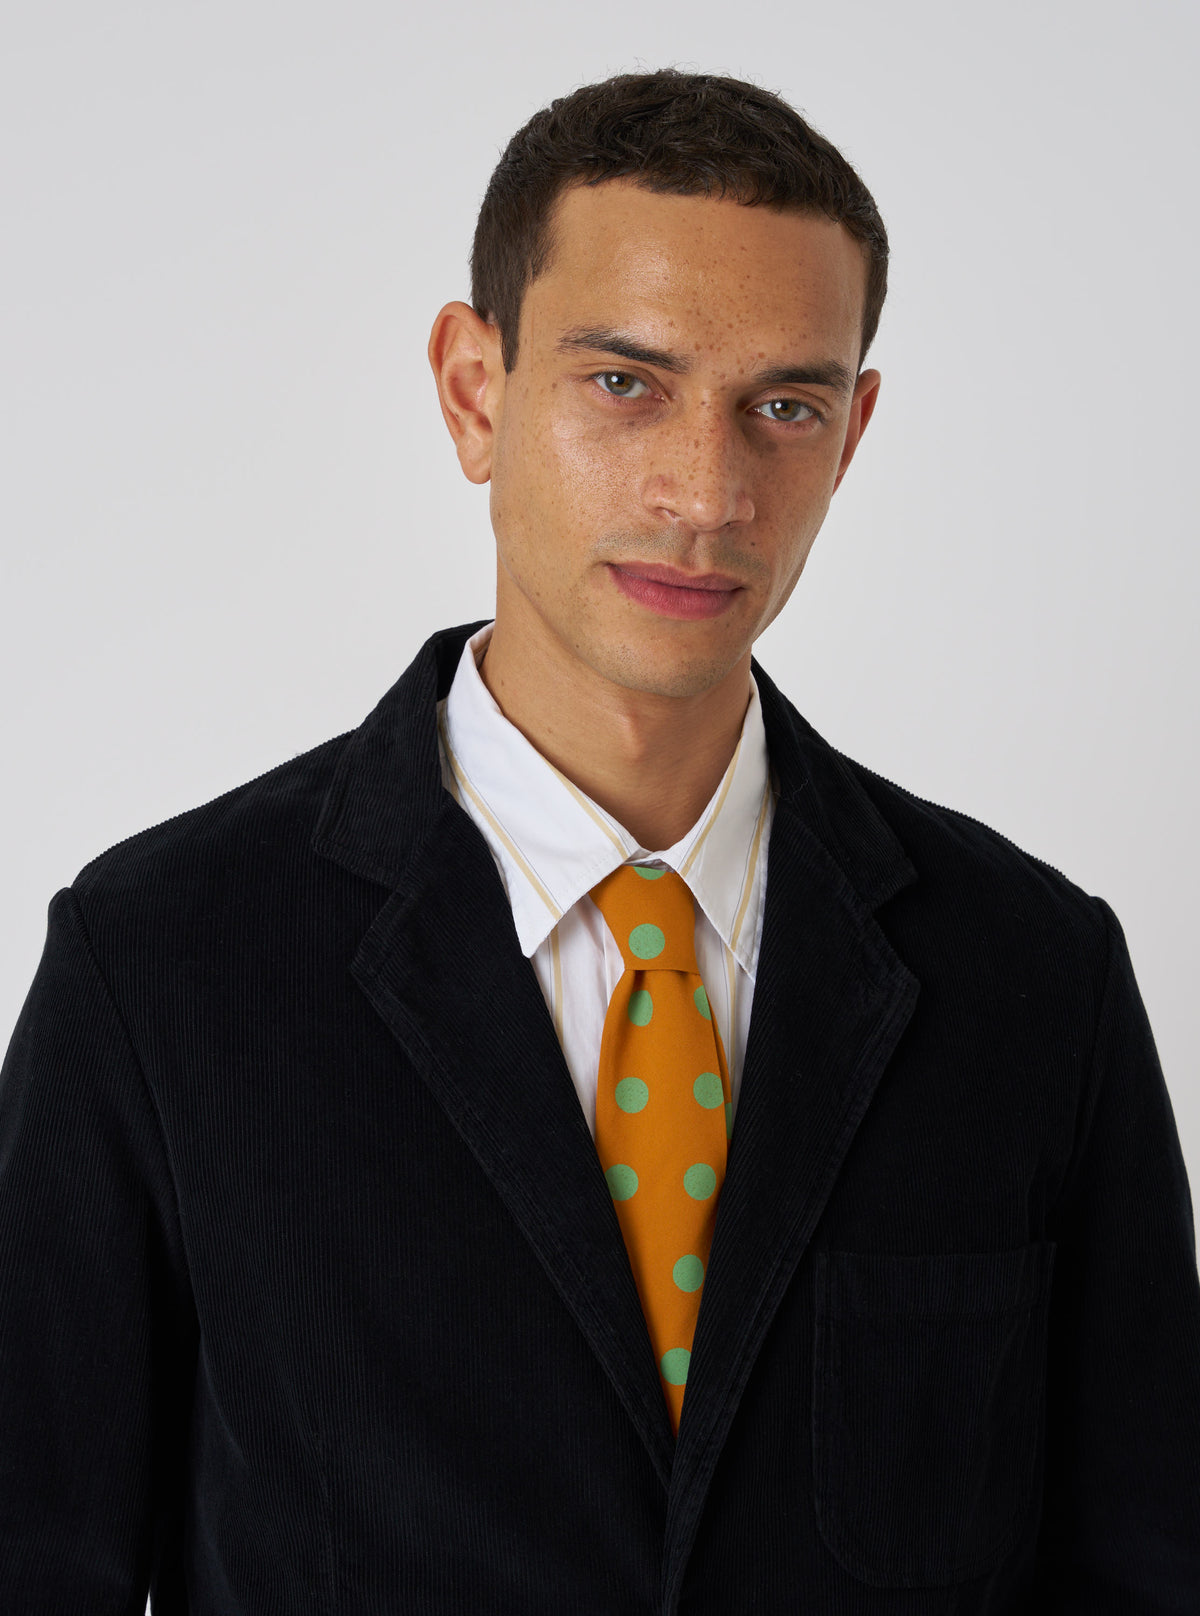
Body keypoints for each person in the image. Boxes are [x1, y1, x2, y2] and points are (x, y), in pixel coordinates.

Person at [1, 66, 1197, 1615]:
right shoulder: (161, 963)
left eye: (784, 405)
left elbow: (1150, 1568)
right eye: (625, 382)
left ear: (853, 435)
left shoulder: (1033, 976)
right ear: (474, 391)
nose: (706, 492)